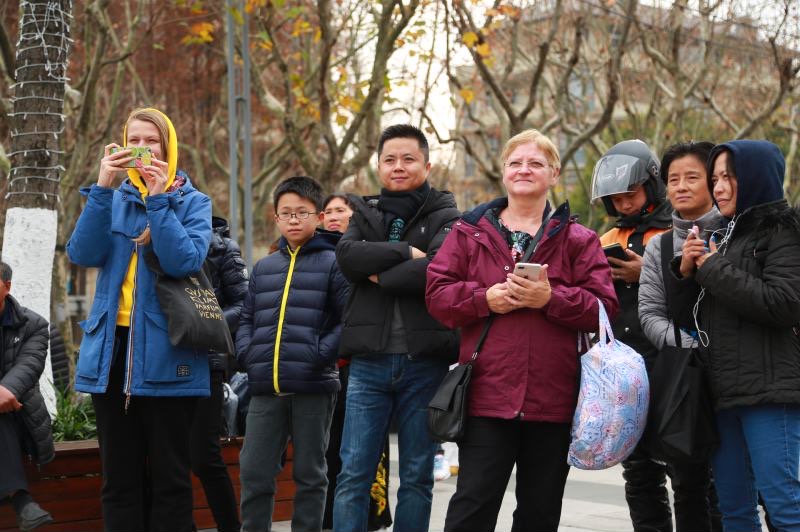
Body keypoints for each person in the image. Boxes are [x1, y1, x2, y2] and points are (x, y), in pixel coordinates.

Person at [426, 128, 618, 531]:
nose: (524, 170)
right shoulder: (468, 232)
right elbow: (437, 296)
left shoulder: (579, 240)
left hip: (554, 399)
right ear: (503, 173)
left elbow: (604, 309)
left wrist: (551, 300)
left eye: (536, 163)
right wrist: (484, 300)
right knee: (471, 509)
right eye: (516, 162)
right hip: (486, 398)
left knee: (539, 514)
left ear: (554, 173)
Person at [66, 107, 212, 531]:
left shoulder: (192, 201)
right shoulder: (110, 198)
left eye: (152, 141)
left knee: (170, 478)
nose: (143, 149)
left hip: (169, 350)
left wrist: (159, 199)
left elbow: (183, 260)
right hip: (111, 351)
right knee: (119, 478)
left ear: (168, 147)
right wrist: (103, 186)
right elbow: (82, 254)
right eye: (135, 140)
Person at [333, 124, 460, 532]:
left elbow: (437, 270)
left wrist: (379, 275)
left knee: (418, 475)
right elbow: (349, 257)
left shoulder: (448, 213)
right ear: (379, 165)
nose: (398, 166)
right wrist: (405, 251)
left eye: (408, 159)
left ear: (427, 163)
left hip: (425, 364)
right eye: (390, 159)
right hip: (369, 362)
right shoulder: (365, 211)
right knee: (353, 473)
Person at [683, 140, 800, 531]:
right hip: (723, 393)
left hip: (769, 393)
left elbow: (784, 303)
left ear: (754, 177)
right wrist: (686, 269)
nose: (718, 187)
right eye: (715, 178)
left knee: (785, 508)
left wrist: (712, 268)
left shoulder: (783, 230)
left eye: (728, 177)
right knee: (734, 510)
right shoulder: (728, 233)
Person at [236, 176, 350, 531]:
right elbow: (246, 318)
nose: (294, 219)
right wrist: (248, 353)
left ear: (317, 216)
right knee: (254, 473)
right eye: (286, 213)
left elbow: (349, 320)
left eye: (302, 212)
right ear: (276, 218)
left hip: (313, 386)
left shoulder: (335, 262)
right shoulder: (265, 266)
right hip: (265, 389)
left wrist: (320, 354)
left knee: (311, 475)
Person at [636, 141, 726, 532]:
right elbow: (650, 314)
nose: (681, 186)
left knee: (737, 484)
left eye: (692, 177)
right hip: (685, 379)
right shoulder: (659, 245)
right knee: (687, 483)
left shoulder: (735, 231)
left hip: (734, 376)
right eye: (673, 179)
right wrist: (689, 348)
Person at [320, 193, 393, 532]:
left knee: (363, 453)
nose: (333, 217)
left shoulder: (365, 254)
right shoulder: (315, 252)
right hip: (323, 368)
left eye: (341, 210)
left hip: (358, 363)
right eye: (328, 211)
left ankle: (370, 518)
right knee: (331, 449)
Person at [189, 215, 248, 532]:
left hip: (206, 361)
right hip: (158, 365)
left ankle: (230, 527)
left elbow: (244, 303)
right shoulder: (145, 239)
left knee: (204, 456)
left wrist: (204, 326)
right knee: (167, 460)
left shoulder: (221, 247)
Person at [0, 261, 55, 532]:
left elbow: (30, 365)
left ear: (7, 287)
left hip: (17, 417)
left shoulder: (33, 324)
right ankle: (22, 503)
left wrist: (5, 390)